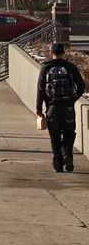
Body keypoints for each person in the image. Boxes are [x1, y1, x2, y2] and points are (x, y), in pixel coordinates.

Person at [36, 42, 86, 172]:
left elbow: (41, 89)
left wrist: (39, 109)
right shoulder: (70, 67)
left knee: (55, 136)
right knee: (69, 134)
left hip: (52, 108)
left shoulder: (45, 67)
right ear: (64, 53)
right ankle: (67, 154)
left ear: (51, 53)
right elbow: (81, 86)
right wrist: (73, 99)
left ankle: (58, 163)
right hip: (68, 108)